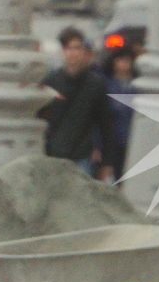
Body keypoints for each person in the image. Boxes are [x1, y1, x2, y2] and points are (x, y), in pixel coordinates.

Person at [39, 27, 117, 178]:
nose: (73, 53)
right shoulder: (51, 81)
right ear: (63, 51)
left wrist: (107, 162)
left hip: (82, 156)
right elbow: (42, 118)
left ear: (83, 51)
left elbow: (106, 125)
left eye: (77, 48)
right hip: (53, 154)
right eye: (68, 48)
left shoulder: (96, 84)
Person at [103, 47, 139, 179]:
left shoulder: (137, 86)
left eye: (127, 61)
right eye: (120, 60)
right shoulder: (107, 85)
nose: (124, 64)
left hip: (132, 139)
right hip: (112, 140)